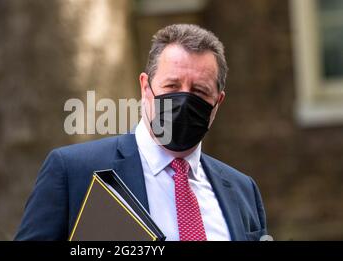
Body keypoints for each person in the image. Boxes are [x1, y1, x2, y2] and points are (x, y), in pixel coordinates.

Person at [15, 24, 267, 241]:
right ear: (145, 87)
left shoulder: (242, 190)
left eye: (199, 91)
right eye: (172, 85)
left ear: (218, 102)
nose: (184, 100)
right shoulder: (74, 171)